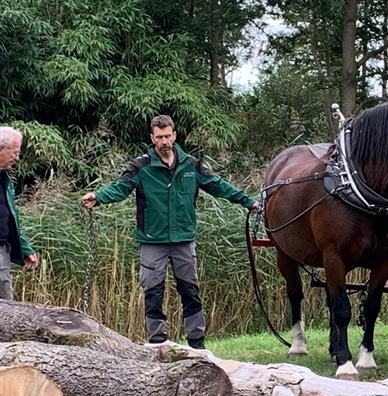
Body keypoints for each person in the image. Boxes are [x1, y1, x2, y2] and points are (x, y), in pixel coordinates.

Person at [80, 115, 258, 349]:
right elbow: (120, 187)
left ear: (174, 135)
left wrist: (247, 201)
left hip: (184, 239)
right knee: (153, 293)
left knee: (190, 291)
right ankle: (158, 343)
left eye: (167, 136)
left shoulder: (191, 165)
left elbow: (217, 185)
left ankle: (197, 343)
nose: (164, 141)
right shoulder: (141, 166)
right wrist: (99, 197)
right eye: (159, 137)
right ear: (152, 138)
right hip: (153, 241)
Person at [0, 127, 40, 300]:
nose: (17, 158)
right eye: (15, 152)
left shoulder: (5, 179)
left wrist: (24, 247)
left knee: (5, 311)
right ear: (1, 149)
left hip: (2, 252)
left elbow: (10, 218)